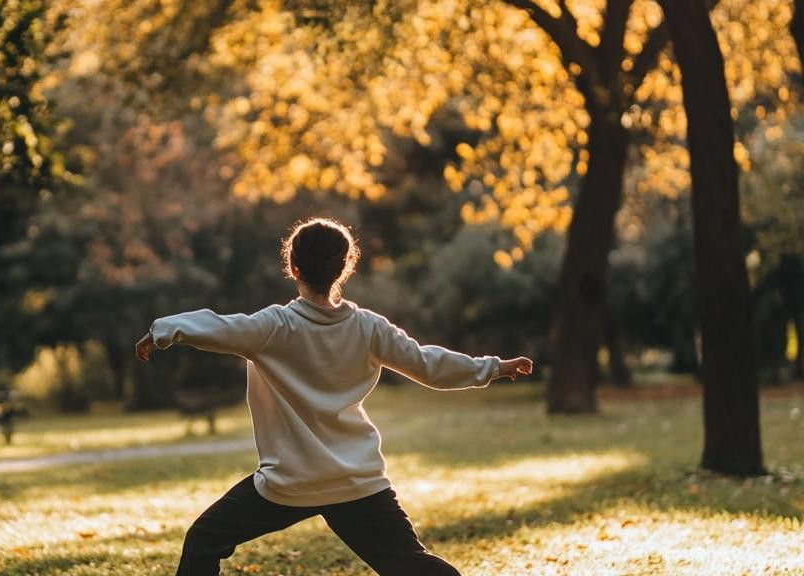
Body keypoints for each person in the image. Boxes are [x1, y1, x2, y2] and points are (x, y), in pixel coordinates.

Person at [135, 217, 534, 576]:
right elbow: (429, 365)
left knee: (203, 540)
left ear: (293, 268)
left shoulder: (273, 327)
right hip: (356, 481)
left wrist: (163, 332)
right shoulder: (368, 328)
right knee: (411, 565)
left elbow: (216, 327)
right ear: (346, 268)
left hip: (289, 484)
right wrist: (494, 367)